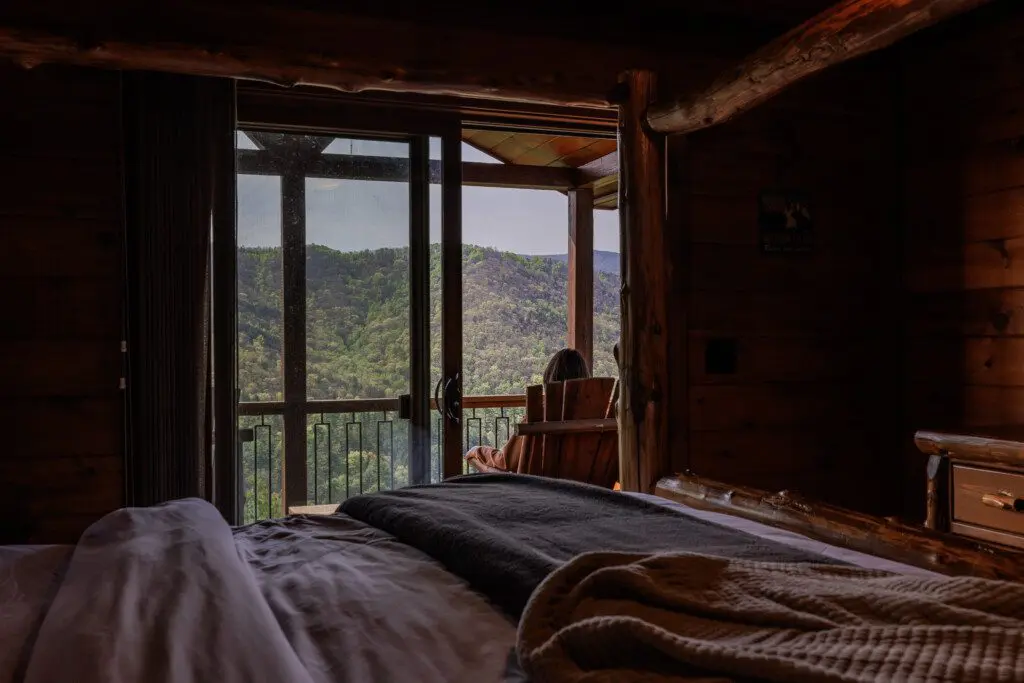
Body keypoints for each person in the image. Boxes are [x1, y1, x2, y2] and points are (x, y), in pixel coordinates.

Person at [465, 348, 591, 473]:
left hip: (539, 489)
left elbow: (506, 462)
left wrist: (477, 451)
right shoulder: (597, 415)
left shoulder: (540, 415)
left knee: (475, 458)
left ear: (550, 378)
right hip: (585, 489)